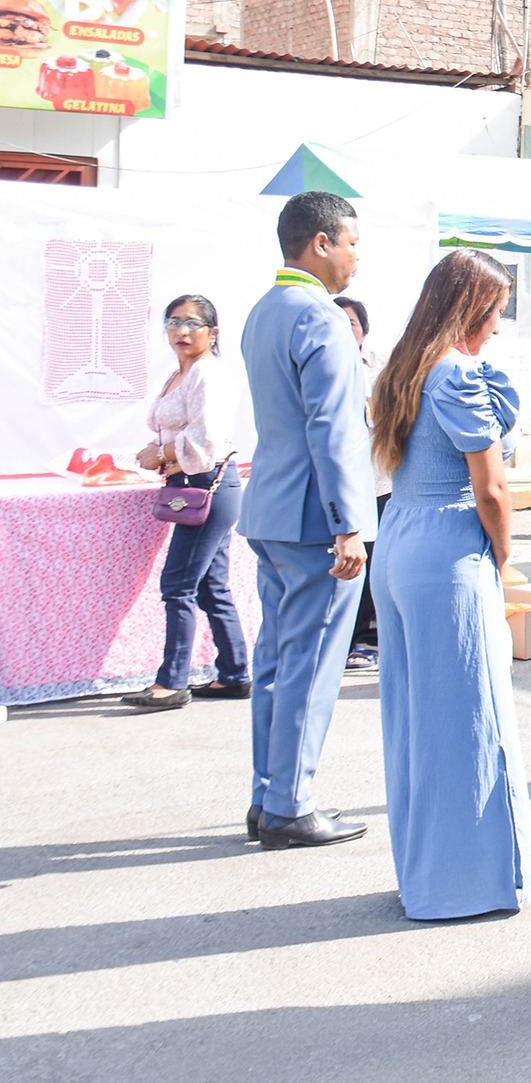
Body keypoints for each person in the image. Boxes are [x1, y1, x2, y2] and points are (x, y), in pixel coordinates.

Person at [369, 249, 531, 920]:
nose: (499, 323)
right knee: (469, 716)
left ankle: (426, 872)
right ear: (475, 309)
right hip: (447, 550)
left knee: (415, 718)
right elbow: (490, 485)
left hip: (400, 539)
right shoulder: (459, 375)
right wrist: (501, 552)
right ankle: (463, 883)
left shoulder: (405, 368)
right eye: (496, 310)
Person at [239, 191, 376, 848]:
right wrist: (349, 522)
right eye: (351, 241)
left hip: (270, 508)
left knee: (276, 659)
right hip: (316, 519)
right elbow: (333, 428)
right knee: (311, 661)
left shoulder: (264, 310)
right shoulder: (320, 317)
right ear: (320, 243)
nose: (355, 255)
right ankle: (291, 802)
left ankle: (268, 795)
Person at [122, 295, 249, 711]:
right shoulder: (183, 373)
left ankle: (171, 682)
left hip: (206, 484)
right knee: (212, 588)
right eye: (173, 322)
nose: (180, 331)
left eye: (192, 323)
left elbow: (207, 439)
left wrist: (160, 455)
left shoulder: (207, 374)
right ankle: (234, 673)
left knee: (178, 586)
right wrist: (157, 450)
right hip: (196, 485)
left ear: (213, 333)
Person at [336, 295, 388, 674]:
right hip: (342, 485)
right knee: (344, 564)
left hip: (380, 480)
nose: (342, 329)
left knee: (374, 563)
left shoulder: (381, 368)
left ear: (364, 331)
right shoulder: (322, 368)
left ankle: (368, 638)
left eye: (350, 323)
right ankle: (346, 638)